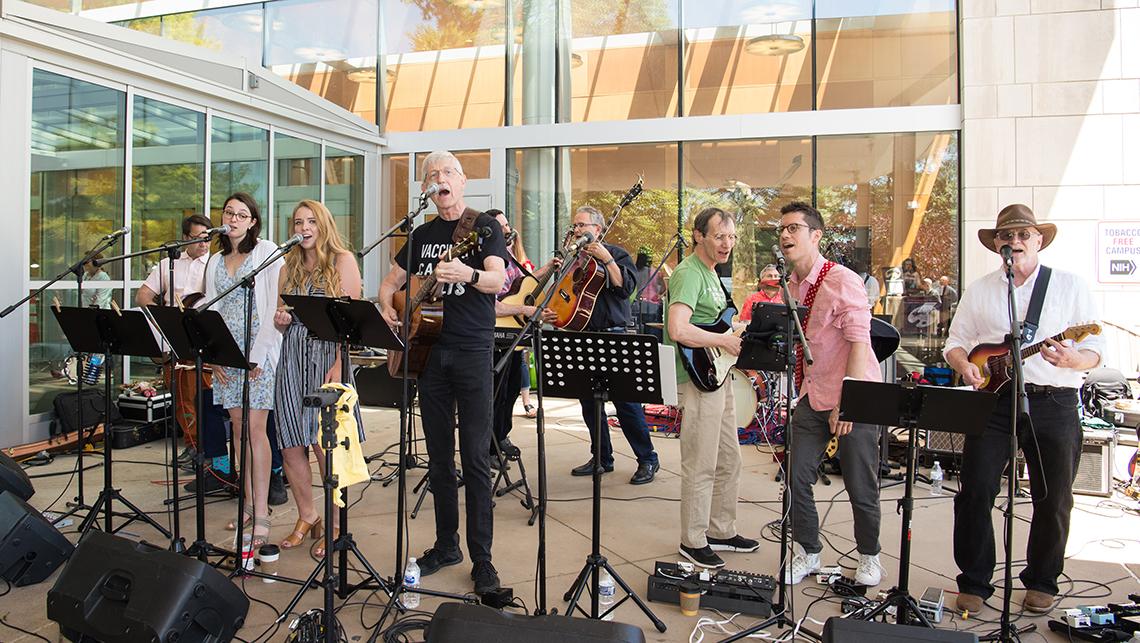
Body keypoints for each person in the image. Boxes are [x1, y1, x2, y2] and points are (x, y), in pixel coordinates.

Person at [944, 204, 1103, 615]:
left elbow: (1095, 348)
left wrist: (1074, 359)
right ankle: (974, 581)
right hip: (993, 401)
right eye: (1006, 235)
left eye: (1023, 234)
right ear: (996, 243)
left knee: (1053, 496)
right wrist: (964, 365)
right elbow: (956, 342)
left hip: (1054, 400)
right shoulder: (980, 289)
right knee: (975, 490)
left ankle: (1042, 580)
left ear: (1038, 240)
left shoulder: (1069, 285)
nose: (1014, 241)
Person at [378, 150, 508, 595]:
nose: (440, 178)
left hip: (471, 351)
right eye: (432, 175)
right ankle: (446, 545)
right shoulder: (421, 234)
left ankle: (483, 559)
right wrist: (388, 307)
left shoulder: (484, 228)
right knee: (437, 458)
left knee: (474, 457)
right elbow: (390, 283)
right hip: (427, 353)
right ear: (425, 189)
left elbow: (497, 281)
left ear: (462, 181)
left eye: (447, 172)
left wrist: (467, 274)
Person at [778, 201, 885, 587]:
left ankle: (869, 555)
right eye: (782, 229)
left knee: (860, 484)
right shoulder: (790, 286)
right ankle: (809, 552)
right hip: (813, 393)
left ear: (816, 235)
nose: (785, 235)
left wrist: (848, 402)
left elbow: (859, 343)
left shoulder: (841, 280)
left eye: (794, 228)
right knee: (795, 476)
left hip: (853, 395)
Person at [665, 207, 758, 569]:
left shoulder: (711, 273)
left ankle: (721, 529)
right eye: (719, 236)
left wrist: (735, 331)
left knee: (730, 458)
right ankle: (693, 540)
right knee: (701, 462)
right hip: (698, 379)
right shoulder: (689, 273)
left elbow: (713, 322)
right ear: (698, 235)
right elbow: (678, 329)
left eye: (731, 237)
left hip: (718, 374)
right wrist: (724, 340)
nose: (727, 244)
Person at [273, 200, 364, 557]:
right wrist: (281, 321)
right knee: (290, 443)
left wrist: (340, 363)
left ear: (323, 225)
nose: (304, 228)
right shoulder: (288, 266)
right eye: (298, 222)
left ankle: (336, 523)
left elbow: (351, 321)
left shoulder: (342, 261)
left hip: (328, 356)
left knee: (325, 445)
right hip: (293, 357)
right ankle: (308, 515)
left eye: (311, 221)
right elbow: (282, 317)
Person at [204, 192, 285, 548]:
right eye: (228, 213)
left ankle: (263, 512)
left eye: (241, 214)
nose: (233, 219)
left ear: (253, 221)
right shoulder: (214, 260)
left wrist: (258, 355)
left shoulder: (267, 251)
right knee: (237, 430)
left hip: (258, 354)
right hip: (226, 354)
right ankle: (248, 504)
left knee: (255, 429)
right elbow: (211, 309)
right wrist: (215, 355)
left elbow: (274, 306)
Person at [135, 215, 236, 494]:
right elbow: (143, 296)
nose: (204, 244)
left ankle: (217, 461)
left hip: (205, 340)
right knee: (182, 402)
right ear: (185, 238)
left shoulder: (216, 264)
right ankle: (195, 449)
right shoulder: (168, 265)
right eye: (198, 238)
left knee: (207, 403)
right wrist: (161, 322)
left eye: (208, 238)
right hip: (176, 341)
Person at [567, 205, 660, 486]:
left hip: (614, 335)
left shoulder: (617, 254)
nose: (577, 230)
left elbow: (624, 289)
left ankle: (647, 458)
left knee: (626, 403)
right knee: (589, 403)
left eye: (582, 225)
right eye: (575, 225)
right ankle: (601, 457)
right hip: (583, 335)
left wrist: (606, 259)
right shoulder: (574, 259)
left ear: (597, 229)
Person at [489, 209, 556, 454]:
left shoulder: (509, 256)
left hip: (514, 338)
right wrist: (526, 310)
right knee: (495, 395)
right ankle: (489, 446)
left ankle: (501, 436)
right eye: (501, 227)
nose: (508, 230)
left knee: (512, 391)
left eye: (507, 225)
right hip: (495, 337)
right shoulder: (488, 260)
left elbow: (522, 282)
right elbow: (493, 306)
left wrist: (547, 268)